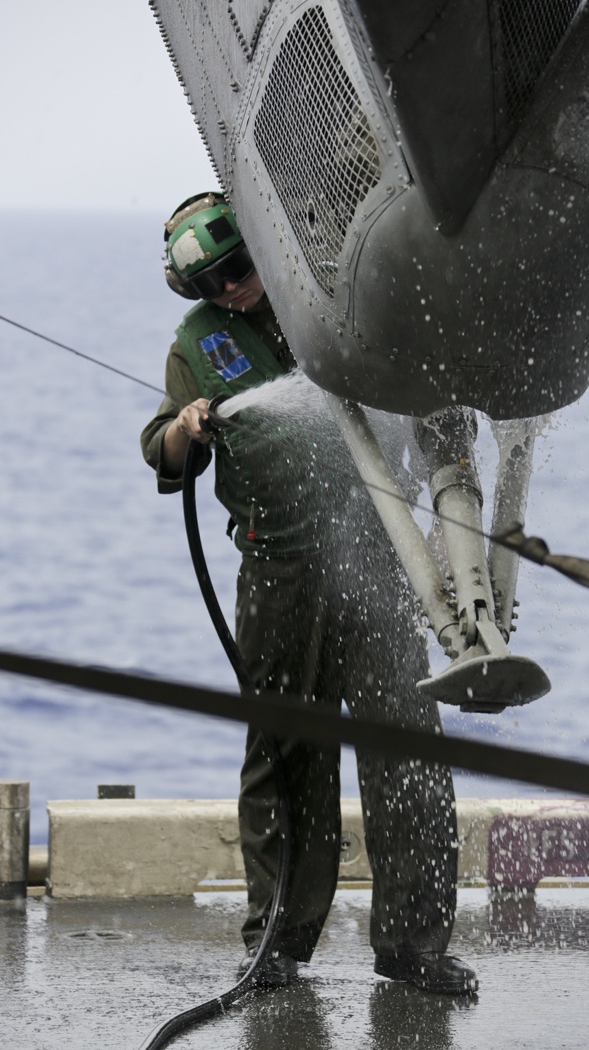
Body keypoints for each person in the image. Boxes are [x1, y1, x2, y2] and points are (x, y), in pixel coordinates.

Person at [140, 192, 477, 995]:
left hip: (378, 553)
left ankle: (415, 947)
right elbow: (161, 450)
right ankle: (278, 946)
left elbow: (428, 390)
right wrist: (185, 429)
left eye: (238, 270)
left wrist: (446, 512)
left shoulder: (334, 293)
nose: (231, 290)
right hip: (280, 570)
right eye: (212, 285)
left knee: (408, 744)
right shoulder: (197, 344)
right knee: (285, 757)